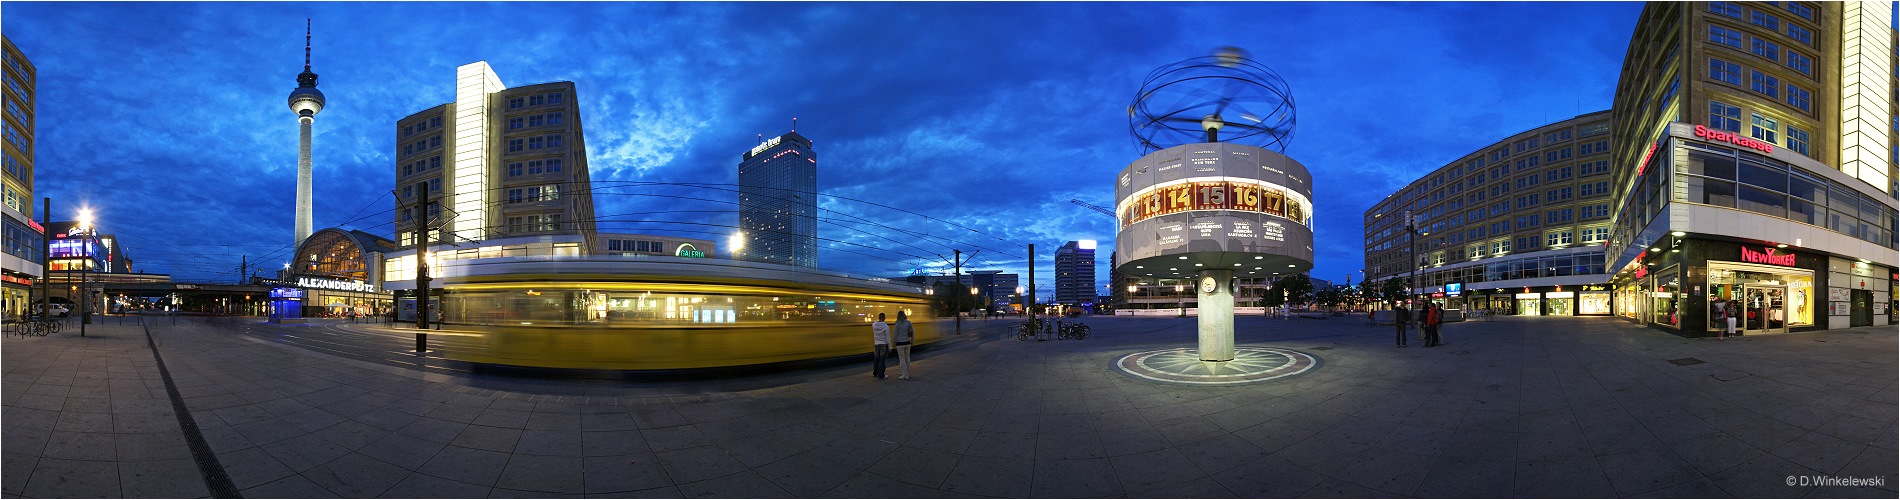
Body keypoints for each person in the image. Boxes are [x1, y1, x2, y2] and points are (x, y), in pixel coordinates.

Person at [892, 311, 915, 380]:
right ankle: (906, 373)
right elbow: (912, 332)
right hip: (907, 343)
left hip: (900, 343)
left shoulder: (897, 324)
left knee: (902, 359)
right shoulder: (908, 322)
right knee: (907, 358)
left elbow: (895, 335)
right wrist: (912, 341)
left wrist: (894, 343)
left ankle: (905, 375)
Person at [871, 313, 891, 379]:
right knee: (882, 360)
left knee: (876, 359)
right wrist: (890, 346)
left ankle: (875, 373)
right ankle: (881, 375)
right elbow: (888, 338)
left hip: (876, 344)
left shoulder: (874, 325)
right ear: (884, 318)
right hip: (883, 344)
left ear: (878, 317)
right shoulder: (886, 327)